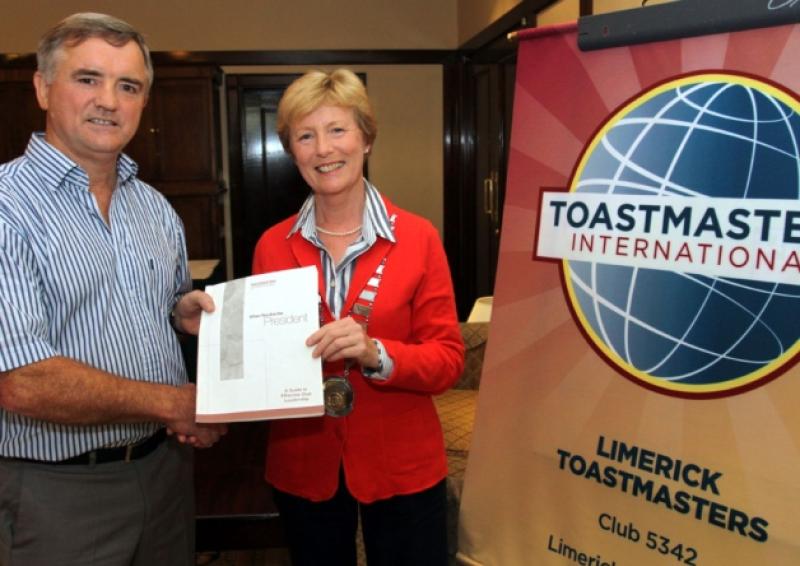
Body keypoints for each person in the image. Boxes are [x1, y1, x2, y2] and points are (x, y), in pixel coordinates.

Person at [0, 13, 225, 565]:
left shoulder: (154, 207)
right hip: (57, 494)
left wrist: (182, 310)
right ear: (41, 87)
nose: (109, 100)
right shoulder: (6, 208)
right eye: (87, 79)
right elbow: (21, 381)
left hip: (164, 472)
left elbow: (160, 307)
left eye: (129, 86)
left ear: (143, 102)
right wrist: (178, 404)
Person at [252, 69, 465, 566]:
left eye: (338, 130)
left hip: (402, 463)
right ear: (292, 151)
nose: (324, 149)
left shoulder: (419, 238)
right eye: (306, 135)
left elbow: (449, 360)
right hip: (304, 461)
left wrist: (378, 354)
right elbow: (266, 357)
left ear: (366, 138)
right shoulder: (271, 245)